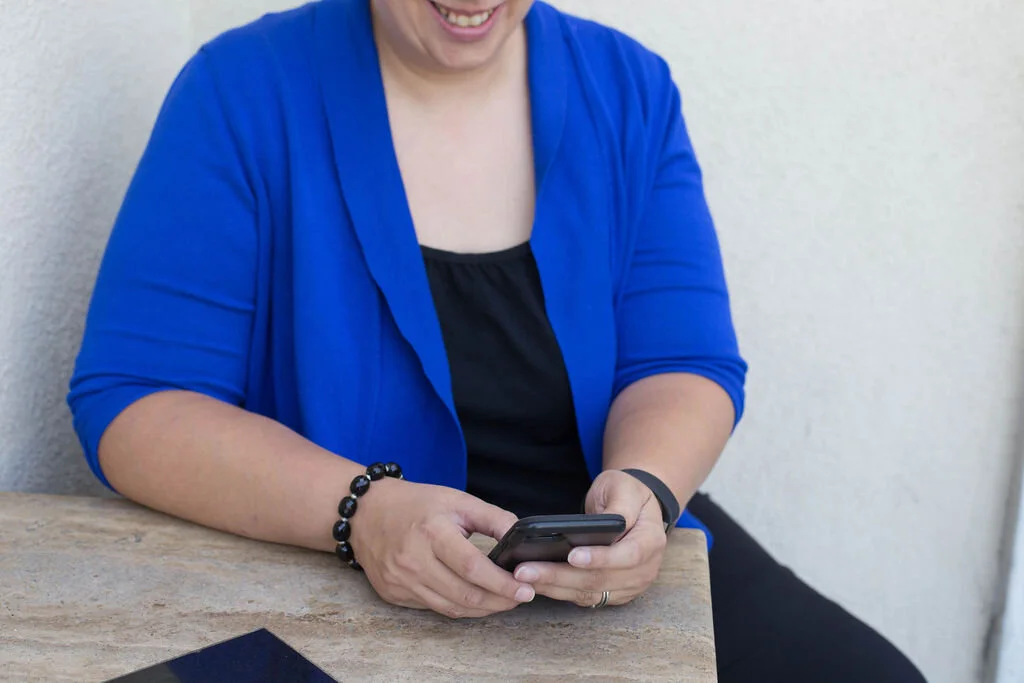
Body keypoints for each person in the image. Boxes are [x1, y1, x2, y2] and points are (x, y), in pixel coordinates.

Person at [67, 1, 927, 681]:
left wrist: (648, 493)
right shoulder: (238, 92)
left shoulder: (630, 88)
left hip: (601, 563)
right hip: (339, 568)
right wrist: (360, 511)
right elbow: (135, 400)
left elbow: (685, 360)